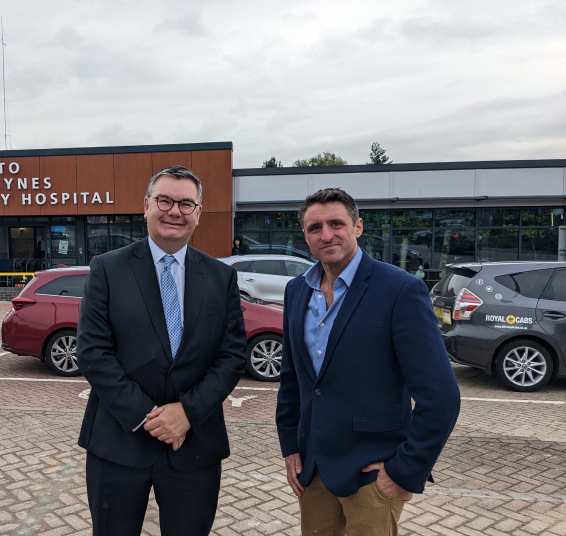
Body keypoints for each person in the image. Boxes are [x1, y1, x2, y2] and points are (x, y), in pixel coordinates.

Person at [276, 188, 460, 536]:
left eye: (336, 223)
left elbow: (441, 396)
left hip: (373, 475)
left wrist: (405, 469)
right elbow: (293, 381)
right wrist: (290, 447)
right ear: (305, 235)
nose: (326, 234)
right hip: (313, 471)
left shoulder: (400, 290)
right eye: (315, 227)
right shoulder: (297, 290)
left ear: (357, 227)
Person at [77, 165, 247, 536]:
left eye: (186, 204)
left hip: (195, 445)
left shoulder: (221, 277)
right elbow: (93, 352)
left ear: (198, 213)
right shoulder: (107, 269)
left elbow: (232, 356)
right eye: (165, 200)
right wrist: (149, 415)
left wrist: (187, 412)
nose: (175, 211)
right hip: (119, 443)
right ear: (146, 206)